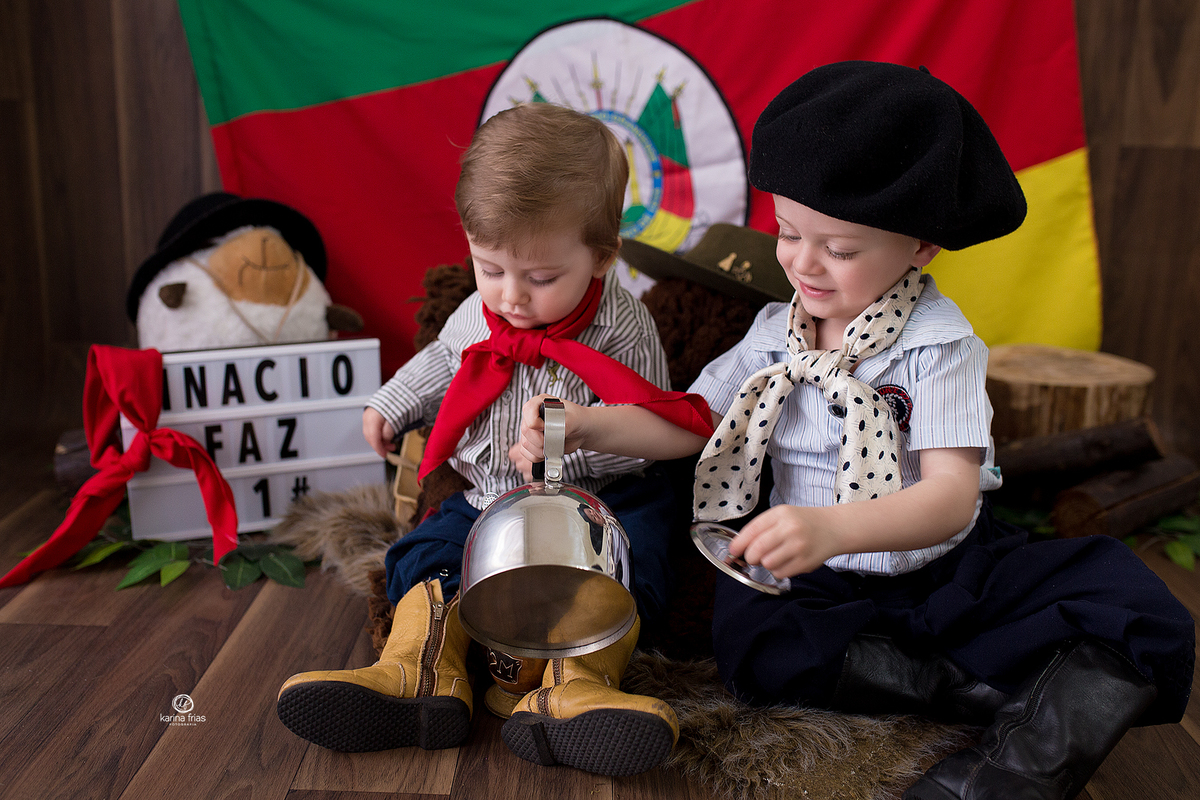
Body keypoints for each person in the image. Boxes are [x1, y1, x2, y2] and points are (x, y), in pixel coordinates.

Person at [517, 62, 1194, 800]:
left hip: (938, 564)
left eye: (838, 250)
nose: (803, 263)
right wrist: (586, 425)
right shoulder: (774, 333)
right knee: (754, 637)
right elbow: (693, 422)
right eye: (787, 233)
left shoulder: (938, 346)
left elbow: (950, 498)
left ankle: (1005, 775)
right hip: (825, 579)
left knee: (1124, 598)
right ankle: (966, 685)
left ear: (920, 247)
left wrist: (833, 528)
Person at [274, 101, 714, 778]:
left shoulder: (623, 327)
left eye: (541, 279)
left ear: (602, 257)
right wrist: (393, 402)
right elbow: (444, 362)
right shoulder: (476, 312)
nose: (511, 297)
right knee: (429, 553)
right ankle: (419, 674)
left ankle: (577, 690)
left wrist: (580, 432)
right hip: (491, 498)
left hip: (603, 499)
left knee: (635, 560)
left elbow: (655, 427)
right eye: (490, 268)